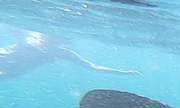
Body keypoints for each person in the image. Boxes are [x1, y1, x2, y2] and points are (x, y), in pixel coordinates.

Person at [0, 28, 140, 78]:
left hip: (12, 72)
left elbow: (93, 67)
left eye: (60, 39)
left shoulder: (63, 53)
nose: (57, 41)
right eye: (54, 38)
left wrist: (123, 72)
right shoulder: (30, 37)